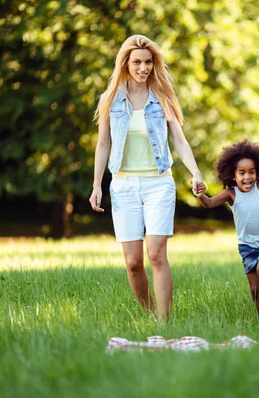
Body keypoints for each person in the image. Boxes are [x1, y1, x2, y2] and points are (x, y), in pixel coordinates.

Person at [88, 35, 206, 320]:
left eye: (148, 62)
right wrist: (96, 186)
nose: (143, 68)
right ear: (125, 63)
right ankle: (150, 315)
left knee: (155, 254)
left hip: (158, 183)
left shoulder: (163, 97)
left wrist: (195, 172)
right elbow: (103, 144)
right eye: (137, 62)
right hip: (124, 185)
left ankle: (165, 324)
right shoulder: (110, 99)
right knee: (133, 263)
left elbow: (179, 140)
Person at [194, 140, 259, 321]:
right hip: (246, 244)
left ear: (258, 171)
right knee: (253, 287)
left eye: (252, 171)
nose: (247, 177)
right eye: (241, 173)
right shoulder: (231, 194)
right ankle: (258, 312)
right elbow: (209, 203)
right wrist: (200, 195)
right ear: (233, 175)